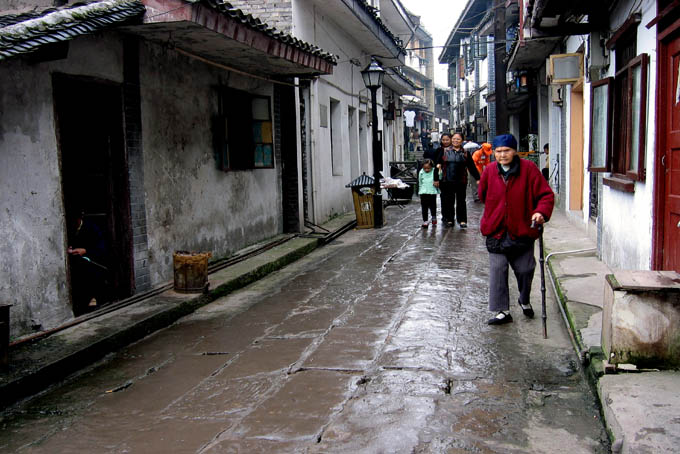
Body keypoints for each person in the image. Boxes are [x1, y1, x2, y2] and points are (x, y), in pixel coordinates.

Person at [478, 134, 555, 325]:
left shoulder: (529, 169)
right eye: (498, 151)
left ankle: (524, 299)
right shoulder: (489, 171)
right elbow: (483, 195)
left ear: (515, 151)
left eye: (507, 151)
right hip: (496, 230)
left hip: (521, 229)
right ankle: (502, 310)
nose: (502, 155)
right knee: (498, 270)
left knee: (525, 269)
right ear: (494, 153)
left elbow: (546, 195)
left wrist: (540, 213)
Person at [435, 132, 480, 228]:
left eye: (458, 139)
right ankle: (450, 219)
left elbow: (472, 167)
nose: (455, 141)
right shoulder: (444, 151)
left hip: (461, 180)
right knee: (449, 201)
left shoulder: (465, 153)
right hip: (447, 180)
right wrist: (436, 178)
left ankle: (462, 220)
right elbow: (437, 164)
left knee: (461, 201)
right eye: (454, 139)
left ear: (462, 141)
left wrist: (478, 178)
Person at [68, 210, 109, 315]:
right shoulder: (69, 229)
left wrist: (85, 251)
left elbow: (101, 248)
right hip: (77, 265)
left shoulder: (92, 228)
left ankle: (94, 300)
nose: (74, 222)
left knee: (93, 279)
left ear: (80, 218)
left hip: (93, 264)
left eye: (76, 220)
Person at [418, 159, 439, 228]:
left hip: (432, 191)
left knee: (433, 206)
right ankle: (425, 220)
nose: (426, 170)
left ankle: (433, 217)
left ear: (431, 167)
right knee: (424, 207)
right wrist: (420, 190)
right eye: (425, 168)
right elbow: (420, 182)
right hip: (423, 192)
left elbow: (439, 177)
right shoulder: (421, 172)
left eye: (428, 168)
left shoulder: (434, 171)